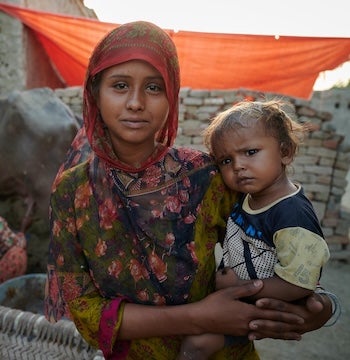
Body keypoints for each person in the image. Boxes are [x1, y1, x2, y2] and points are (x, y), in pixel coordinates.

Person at [44, 21, 334, 360]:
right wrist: (198, 317)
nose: (136, 102)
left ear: (172, 96)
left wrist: (322, 307)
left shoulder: (206, 176)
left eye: (154, 88)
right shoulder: (72, 190)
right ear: (95, 92)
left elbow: (282, 244)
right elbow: (83, 309)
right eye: (120, 85)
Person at [177, 99, 331, 359]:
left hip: (262, 307)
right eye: (226, 160)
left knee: (197, 344)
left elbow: (300, 283)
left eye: (250, 152)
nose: (238, 166)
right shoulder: (249, 198)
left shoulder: (291, 213)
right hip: (240, 298)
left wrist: (239, 285)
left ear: (285, 152)